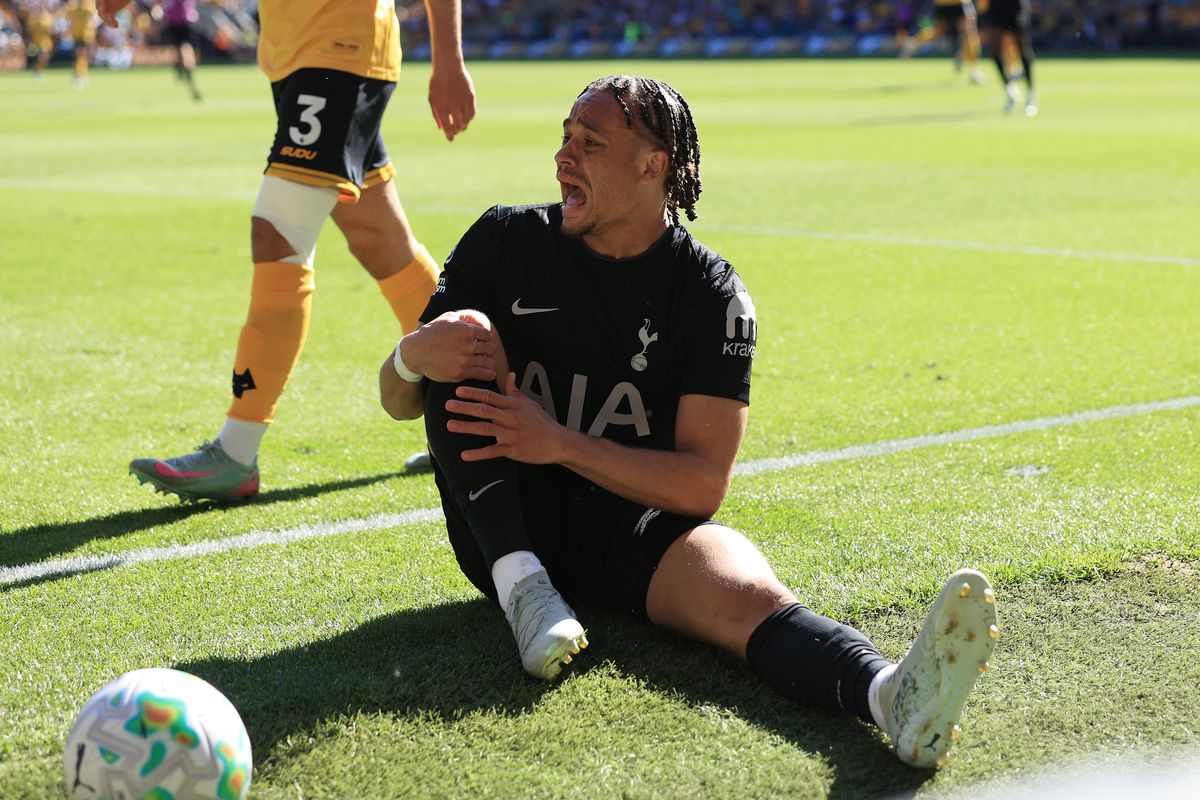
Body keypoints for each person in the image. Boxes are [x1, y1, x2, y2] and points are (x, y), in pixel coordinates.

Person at [378, 75, 1001, 769]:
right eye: (565, 137)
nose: (563, 157)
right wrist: (410, 356)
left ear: (653, 165)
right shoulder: (504, 241)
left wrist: (556, 440)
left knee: (742, 591)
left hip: (627, 524)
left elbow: (702, 484)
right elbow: (401, 399)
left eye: (590, 143)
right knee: (458, 340)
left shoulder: (711, 294)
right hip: (504, 519)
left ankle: (892, 695)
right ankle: (525, 590)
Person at [94, 0, 477, 501]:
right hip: (296, 55)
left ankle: (235, 450)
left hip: (340, 49)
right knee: (382, 243)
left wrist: (449, 59)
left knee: (277, 235)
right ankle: (474, 417)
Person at [901, 0, 986, 86]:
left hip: (958, 3)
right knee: (939, 32)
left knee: (969, 33)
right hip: (946, 4)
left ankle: (973, 68)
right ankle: (914, 43)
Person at [982, 0, 1036, 115]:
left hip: (1015, 6)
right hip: (996, 7)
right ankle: (1011, 92)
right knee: (994, 50)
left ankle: (1031, 96)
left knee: (1023, 50)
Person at [160, 0, 202, 100]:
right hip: (177, 22)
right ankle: (183, 67)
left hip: (183, 22)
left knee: (185, 48)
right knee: (182, 49)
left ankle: (184, 68)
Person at [66, 0, 98, 89]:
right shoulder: (74, 9)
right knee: (79, 56)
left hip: (85, 36)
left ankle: (80, 74)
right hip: (77, 35)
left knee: (82, 56)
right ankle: (79, 74)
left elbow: (94, 20)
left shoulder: (87, 8)